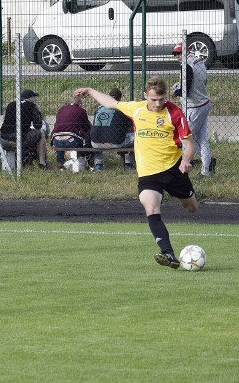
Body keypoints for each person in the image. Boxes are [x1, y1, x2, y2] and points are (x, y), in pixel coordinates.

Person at [75, 77, 199, 269]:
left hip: (174, 169)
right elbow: (112, 103)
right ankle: (168, 253)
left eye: (161, 99)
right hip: (149, 173)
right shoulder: (137, 109)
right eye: (153, 100)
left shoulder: (174, 113)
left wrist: (186, 161)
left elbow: (189, 143)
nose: (157, 104)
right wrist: (90, 90)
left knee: (191, 207)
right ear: (145, 96)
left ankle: (184, 197)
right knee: (151, 207)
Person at [172, 43, 215, 176]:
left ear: (186, 52)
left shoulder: (186, 66)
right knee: (202, 139)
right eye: (175, 54)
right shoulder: (199, 61)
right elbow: (202, 80)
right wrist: (181, 84)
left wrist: (176, 92)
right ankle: (207, 169)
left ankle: (184, 168)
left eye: (179, 53)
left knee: (185, 139)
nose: (177, 56)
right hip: (204, 102)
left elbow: (186, 90)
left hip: (194, 107)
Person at [0, 89, 47, 169]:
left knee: (24, 132)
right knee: (41, 134)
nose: (35, 99)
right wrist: (38, 111)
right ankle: (42, 163)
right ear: (30, 98)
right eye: (34, 97)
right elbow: (38, 126)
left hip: (3, 138)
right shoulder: (31, 106)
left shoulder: (11, 104)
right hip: (18, 139)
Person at [90, 88, 134, 171]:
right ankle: (129, 163)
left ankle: (98, 164)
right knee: (137, 137)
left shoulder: (98, 109)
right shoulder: (121, 109)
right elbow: (130, 127)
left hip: (95, 143)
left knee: (98, 136)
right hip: (115, 143)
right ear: (120, 99)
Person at [50, 95, 92, 170]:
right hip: (71, 139)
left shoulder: (61, 109)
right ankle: (75, 164)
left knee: (60, 148)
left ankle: (60, 164)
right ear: (80, 104)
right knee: (76, 148)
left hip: (56, 139)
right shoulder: (81, 111)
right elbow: (87, 126)